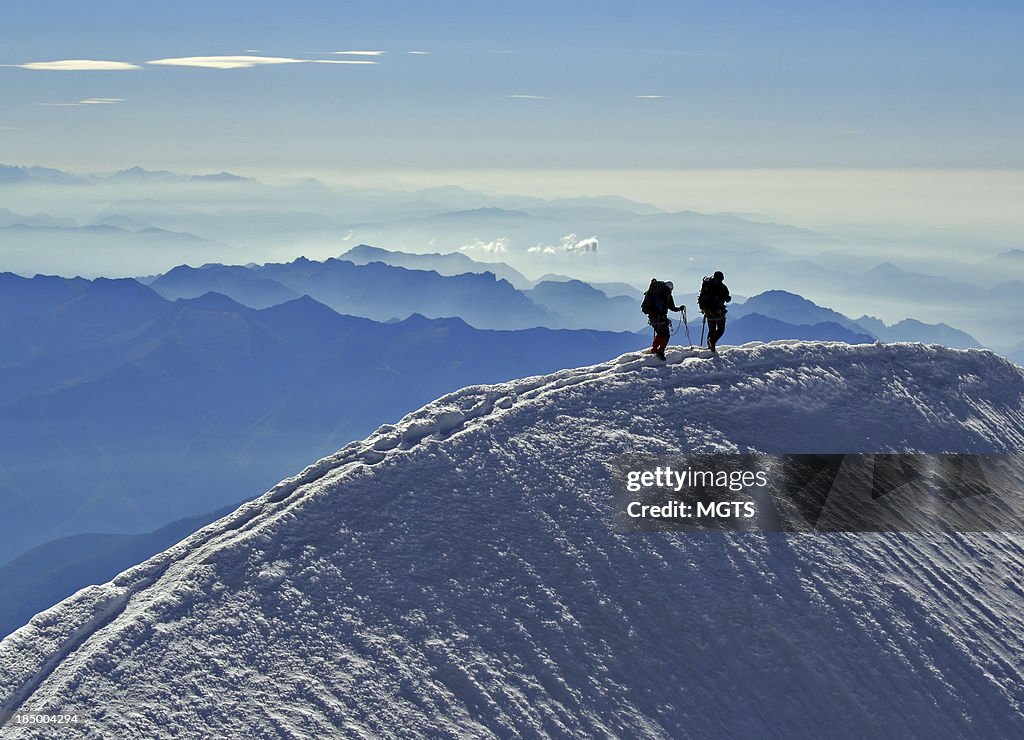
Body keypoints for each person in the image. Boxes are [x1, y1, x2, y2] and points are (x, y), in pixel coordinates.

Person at [641, 278, 684, 361]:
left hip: (652, 318)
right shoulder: (667, 294)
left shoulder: (653, 292)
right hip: (660, 318)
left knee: (660, 333)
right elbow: (672, 307)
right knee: (666, 335)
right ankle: (660, 351)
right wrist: (679, 309)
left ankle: (654, 349)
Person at [698, 271, 731, 353]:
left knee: (711, 329)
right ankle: (712, 341)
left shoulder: (707, 285)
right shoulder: (722, 287)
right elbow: (727, 298)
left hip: (707, 311)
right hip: (718, 311)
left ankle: (710, 346)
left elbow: (702, 297)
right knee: (721, 329)